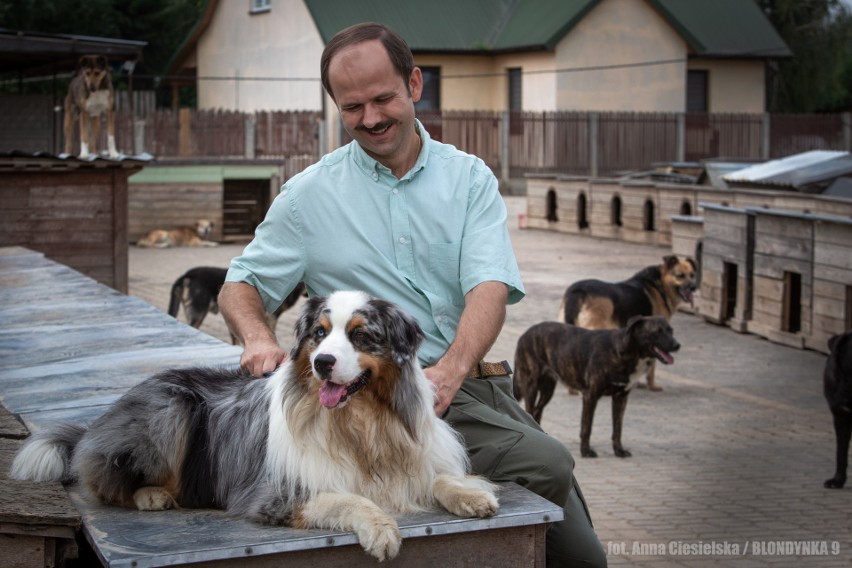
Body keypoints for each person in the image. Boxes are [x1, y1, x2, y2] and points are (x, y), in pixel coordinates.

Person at [218, 22, 607, 567]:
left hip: (461, 387)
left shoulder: (469, 179)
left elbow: (489, 288)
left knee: (582, 553)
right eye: (353, 107)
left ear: (415, 84)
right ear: (337, 107)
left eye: (383, 98)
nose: (371, 118)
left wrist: (450, 370)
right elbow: (241, 283)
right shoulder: (308, 196)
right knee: (545, 465)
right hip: (361, 400)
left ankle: (451, 475)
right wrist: (258, 338)